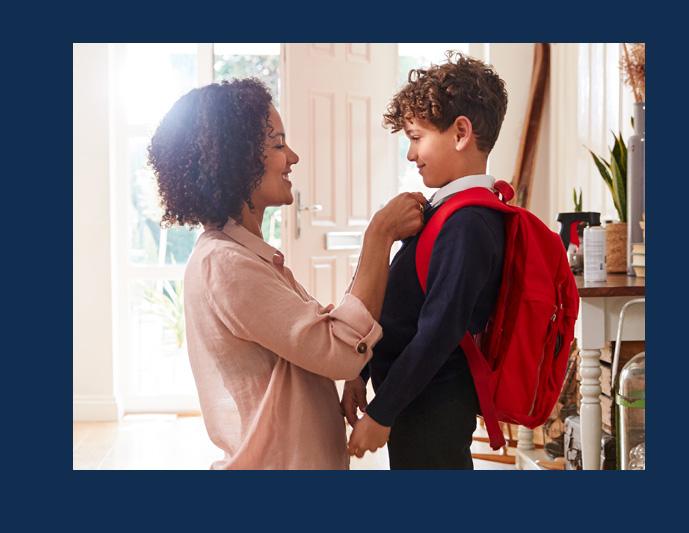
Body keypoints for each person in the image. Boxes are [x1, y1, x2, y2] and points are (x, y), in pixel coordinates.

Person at [147, 78, 426, 469]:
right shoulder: (227, 266)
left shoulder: (245, 256)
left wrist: (353, 373)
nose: (292, 157)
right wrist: (379, 235)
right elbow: (340, 351)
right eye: (278, 145)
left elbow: (322, 337)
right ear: (236, 160)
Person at [344, 51, 509, 469]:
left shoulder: (470, 222)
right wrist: (358, 372)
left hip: (434, 402)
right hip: (417, 398)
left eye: (416, 138)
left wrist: (384, 411)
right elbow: (401, 302)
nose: (410, 155)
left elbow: (440, 330)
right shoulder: (447, 213)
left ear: (460, 133)